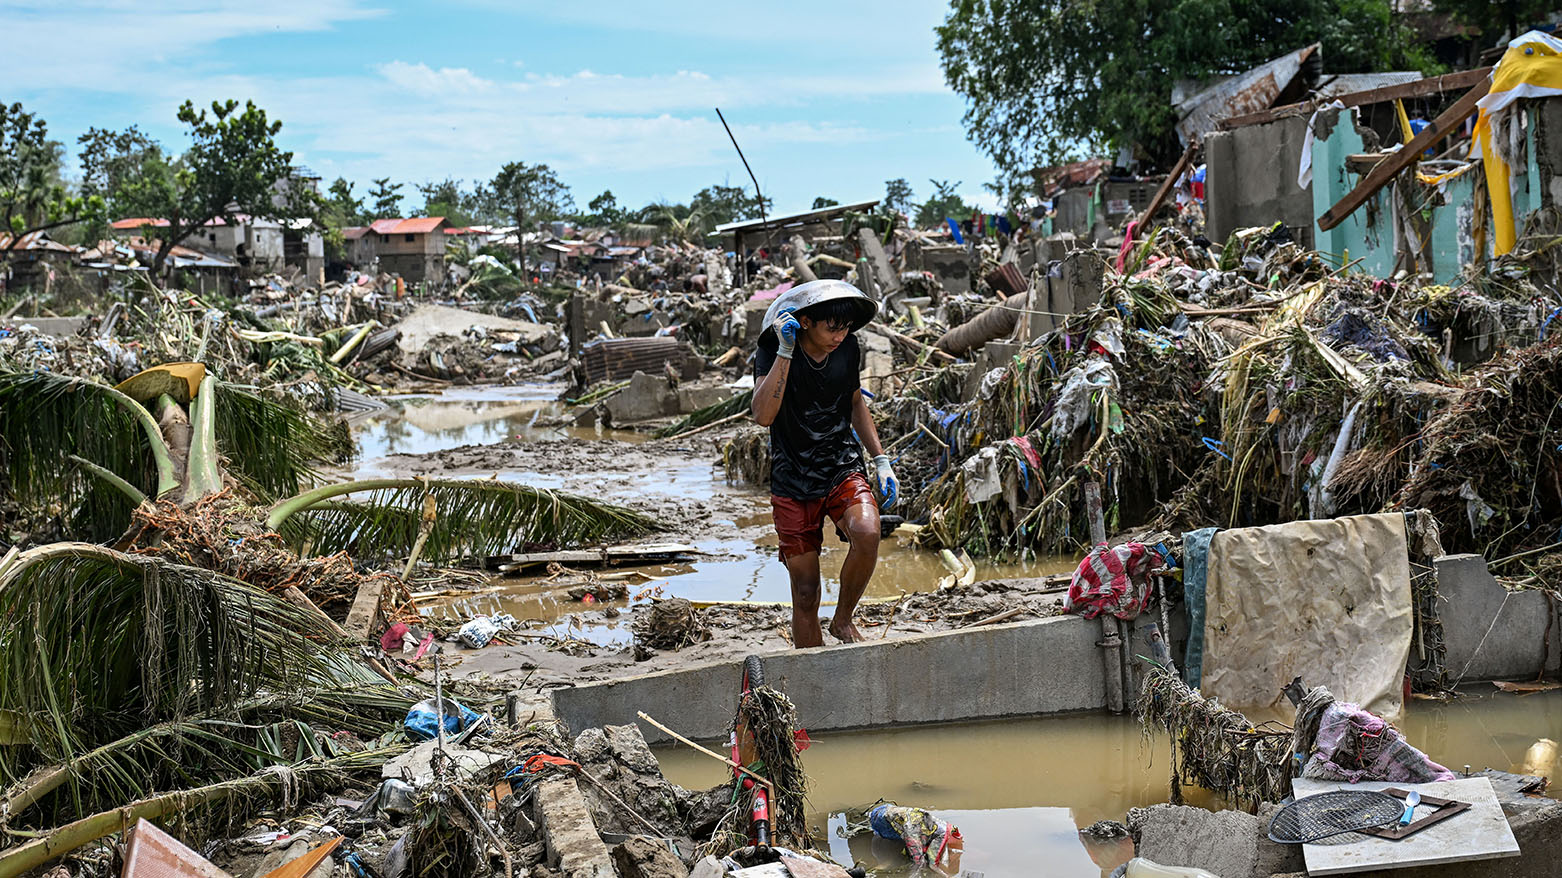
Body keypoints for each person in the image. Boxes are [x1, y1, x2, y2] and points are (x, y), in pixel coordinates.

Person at [751, 280, 897, 646]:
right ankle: (813, 673)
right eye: (832, 327)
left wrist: (880, 460)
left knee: (866, 531)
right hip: (793, 477)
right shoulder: (772, 348)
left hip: (840, 464)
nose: (840, 335)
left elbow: (854, 403)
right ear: (805, 321)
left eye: (845, 327)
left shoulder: (848, 347)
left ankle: (843, 620)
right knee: (805, 591)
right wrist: (786, 351)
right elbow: (763, 415)